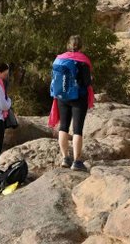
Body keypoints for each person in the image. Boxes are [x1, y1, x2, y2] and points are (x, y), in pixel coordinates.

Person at [47, 35, 95, 172]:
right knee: (77, 129)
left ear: (68, 45)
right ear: (81, 46)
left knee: (63, 127)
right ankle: (77, 161)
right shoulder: (83, 61)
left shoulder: (59, 59)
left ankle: (65, 158)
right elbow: (87, 82)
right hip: (79, 98)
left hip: (62, 97)